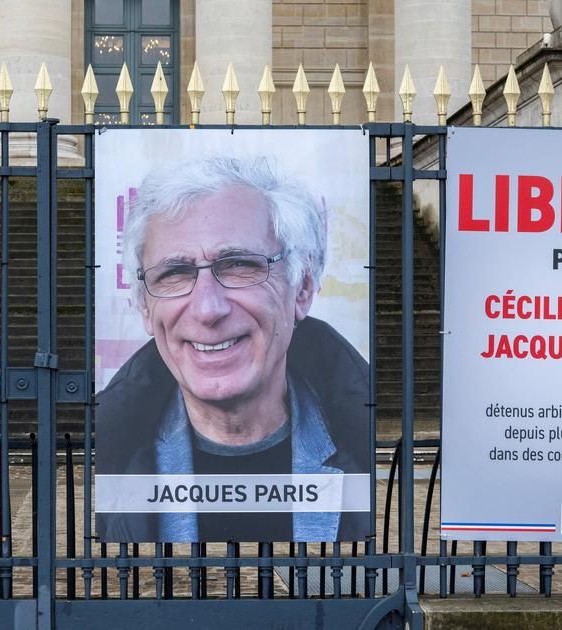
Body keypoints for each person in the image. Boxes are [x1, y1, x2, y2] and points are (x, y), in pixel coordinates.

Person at [96, 156, 370, 543]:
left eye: (240, 265)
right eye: (174, 273)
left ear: (303, 288)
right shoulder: (104, 458)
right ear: (144, 306)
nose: (208, 309)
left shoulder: (377, 452)